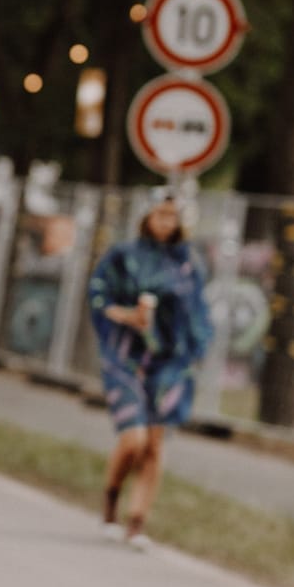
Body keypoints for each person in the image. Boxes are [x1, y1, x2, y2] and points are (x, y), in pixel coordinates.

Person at [87, 188, 213, 549]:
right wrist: (128, 316)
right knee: (134, 438)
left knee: (155, 444)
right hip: (125, 356)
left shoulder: (188, 263)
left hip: (171, 362)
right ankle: (111, 499)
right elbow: (99, 300)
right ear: (146, 216)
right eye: (160, 215)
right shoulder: (123, 258)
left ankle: (137, 520)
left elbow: (197, 314)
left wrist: (193, 348)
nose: (166, 222)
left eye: (172, 216)